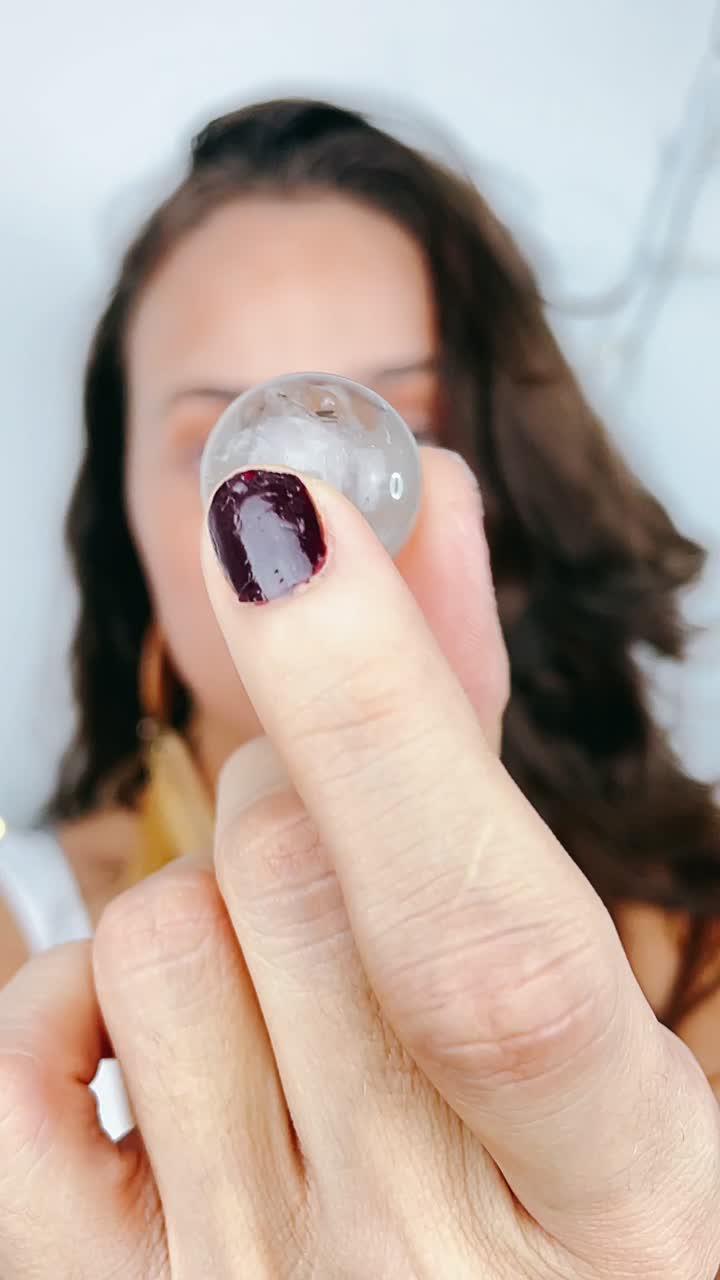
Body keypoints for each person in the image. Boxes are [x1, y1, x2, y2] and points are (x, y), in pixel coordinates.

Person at [0, 97, 718, 1276]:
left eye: (399, 421)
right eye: (217, 444)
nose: (315, 501)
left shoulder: (693, 921)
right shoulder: (24, 951)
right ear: (121, 524)